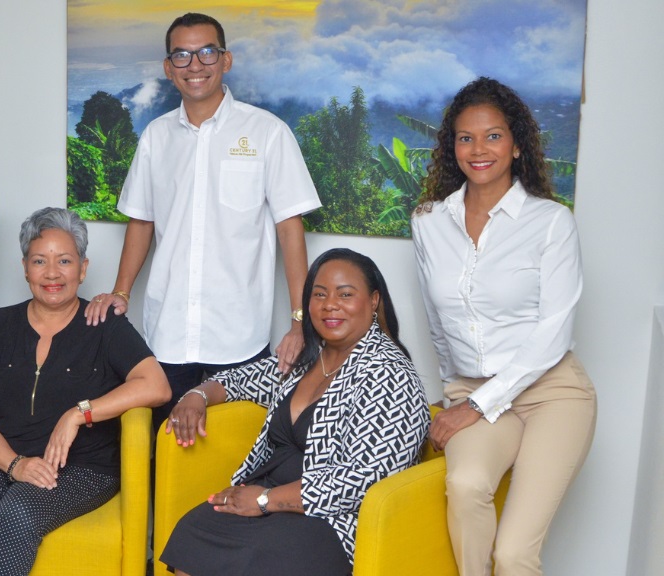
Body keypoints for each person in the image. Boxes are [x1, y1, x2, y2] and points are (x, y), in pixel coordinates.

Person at [85, 12, 322, 431]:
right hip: (167, 333)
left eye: (206, 52)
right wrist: (122, 291)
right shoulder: (156, 137)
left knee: (234, 458)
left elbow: (290, 230)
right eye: (182, 55)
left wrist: (299, 321)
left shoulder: (268, 133)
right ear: (168, 67)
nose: (195, 65)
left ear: (225, 60)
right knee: (164, 453)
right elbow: (141, 222)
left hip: (239, 335)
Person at [412, 77, 597, 576]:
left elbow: (553, 332)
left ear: (516, 145)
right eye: (466, 137)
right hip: (472, 390)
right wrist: (456, 391)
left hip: (551, 392)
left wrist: (475, 405)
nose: (479, 149)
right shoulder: (428, 221)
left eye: (493, 136)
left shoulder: (552, 223)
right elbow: (438, 320)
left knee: (514, 552)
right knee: (467, 486)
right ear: (452, 147)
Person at [0, 207, 171, 576]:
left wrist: (79, 413)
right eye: (40, 261)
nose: (53, 273)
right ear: (25, 267)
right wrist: (15, 464)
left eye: (65, 261)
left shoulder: (104, 324)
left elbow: (156, 385)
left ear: (83, 268)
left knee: (18, 511)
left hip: (80, 468)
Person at [159, 248, 429, 576]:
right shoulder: (307, 357)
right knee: (194, 530)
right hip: (265, 494)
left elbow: (364, 479)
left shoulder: (389, 372)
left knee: (260, 558)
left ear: (373, 301)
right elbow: (236, 381)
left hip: (333, 517)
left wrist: (265, 501)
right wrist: (196, 395)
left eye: (345, 294)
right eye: (319, 294)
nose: (330, 304)